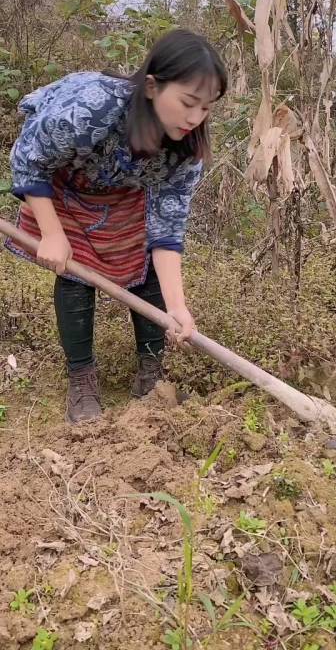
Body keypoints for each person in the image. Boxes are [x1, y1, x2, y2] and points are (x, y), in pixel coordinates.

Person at [7, 29, 227, 424]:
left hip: (123, 190)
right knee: (75, 274)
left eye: (207, 108)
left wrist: (177, 308)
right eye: (188, 102)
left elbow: (167, 228)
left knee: (143, 265)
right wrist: (53, 234)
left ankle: (152, 373)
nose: (195, 119)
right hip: (63, 182)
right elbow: (29, 157)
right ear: (151, 87)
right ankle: (81, 379)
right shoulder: (91, 107)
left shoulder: (187, 151)